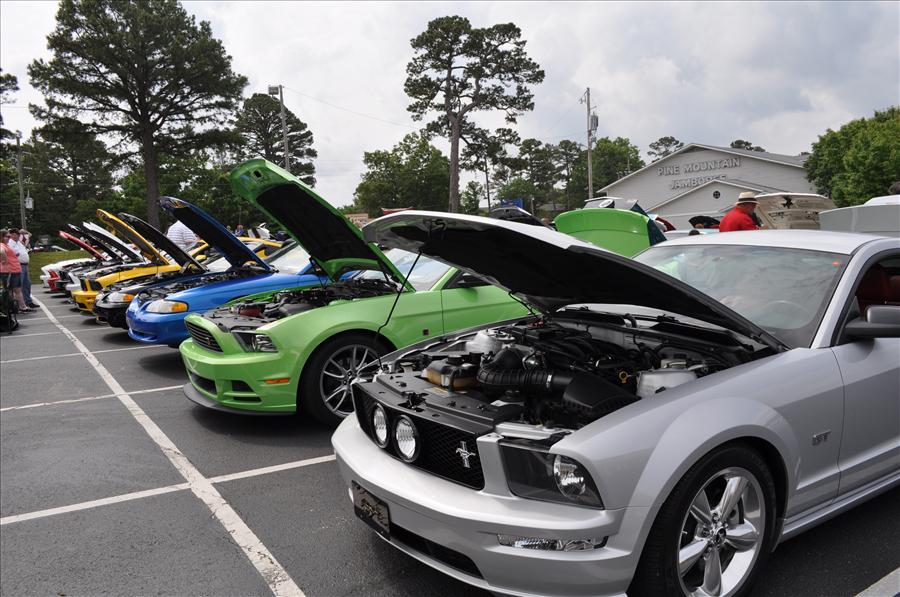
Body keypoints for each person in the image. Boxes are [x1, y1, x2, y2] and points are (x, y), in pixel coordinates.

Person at [1, 229, 29, 312]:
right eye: (7, 236)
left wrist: (14, 256)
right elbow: (1, 251)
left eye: (9, 236)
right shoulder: (2, 245)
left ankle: (20, 307)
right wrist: (4, 259)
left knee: (16, 290)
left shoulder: (7, 245)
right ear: (2, 237)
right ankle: (13, 308)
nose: (9, 238)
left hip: (14, 270)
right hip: (9, 271)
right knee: (11, 290)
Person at [8, 229, 35, 308]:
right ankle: (20, 304)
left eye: (18, 234)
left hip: (25, 265)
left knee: (27, 284)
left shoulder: (19, 242)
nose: (18, 236)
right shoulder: (10, 243)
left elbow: (29, 235)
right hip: (18, 265)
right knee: (19, 285)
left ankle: (28, 301)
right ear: (12, 235)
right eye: (16, 234)